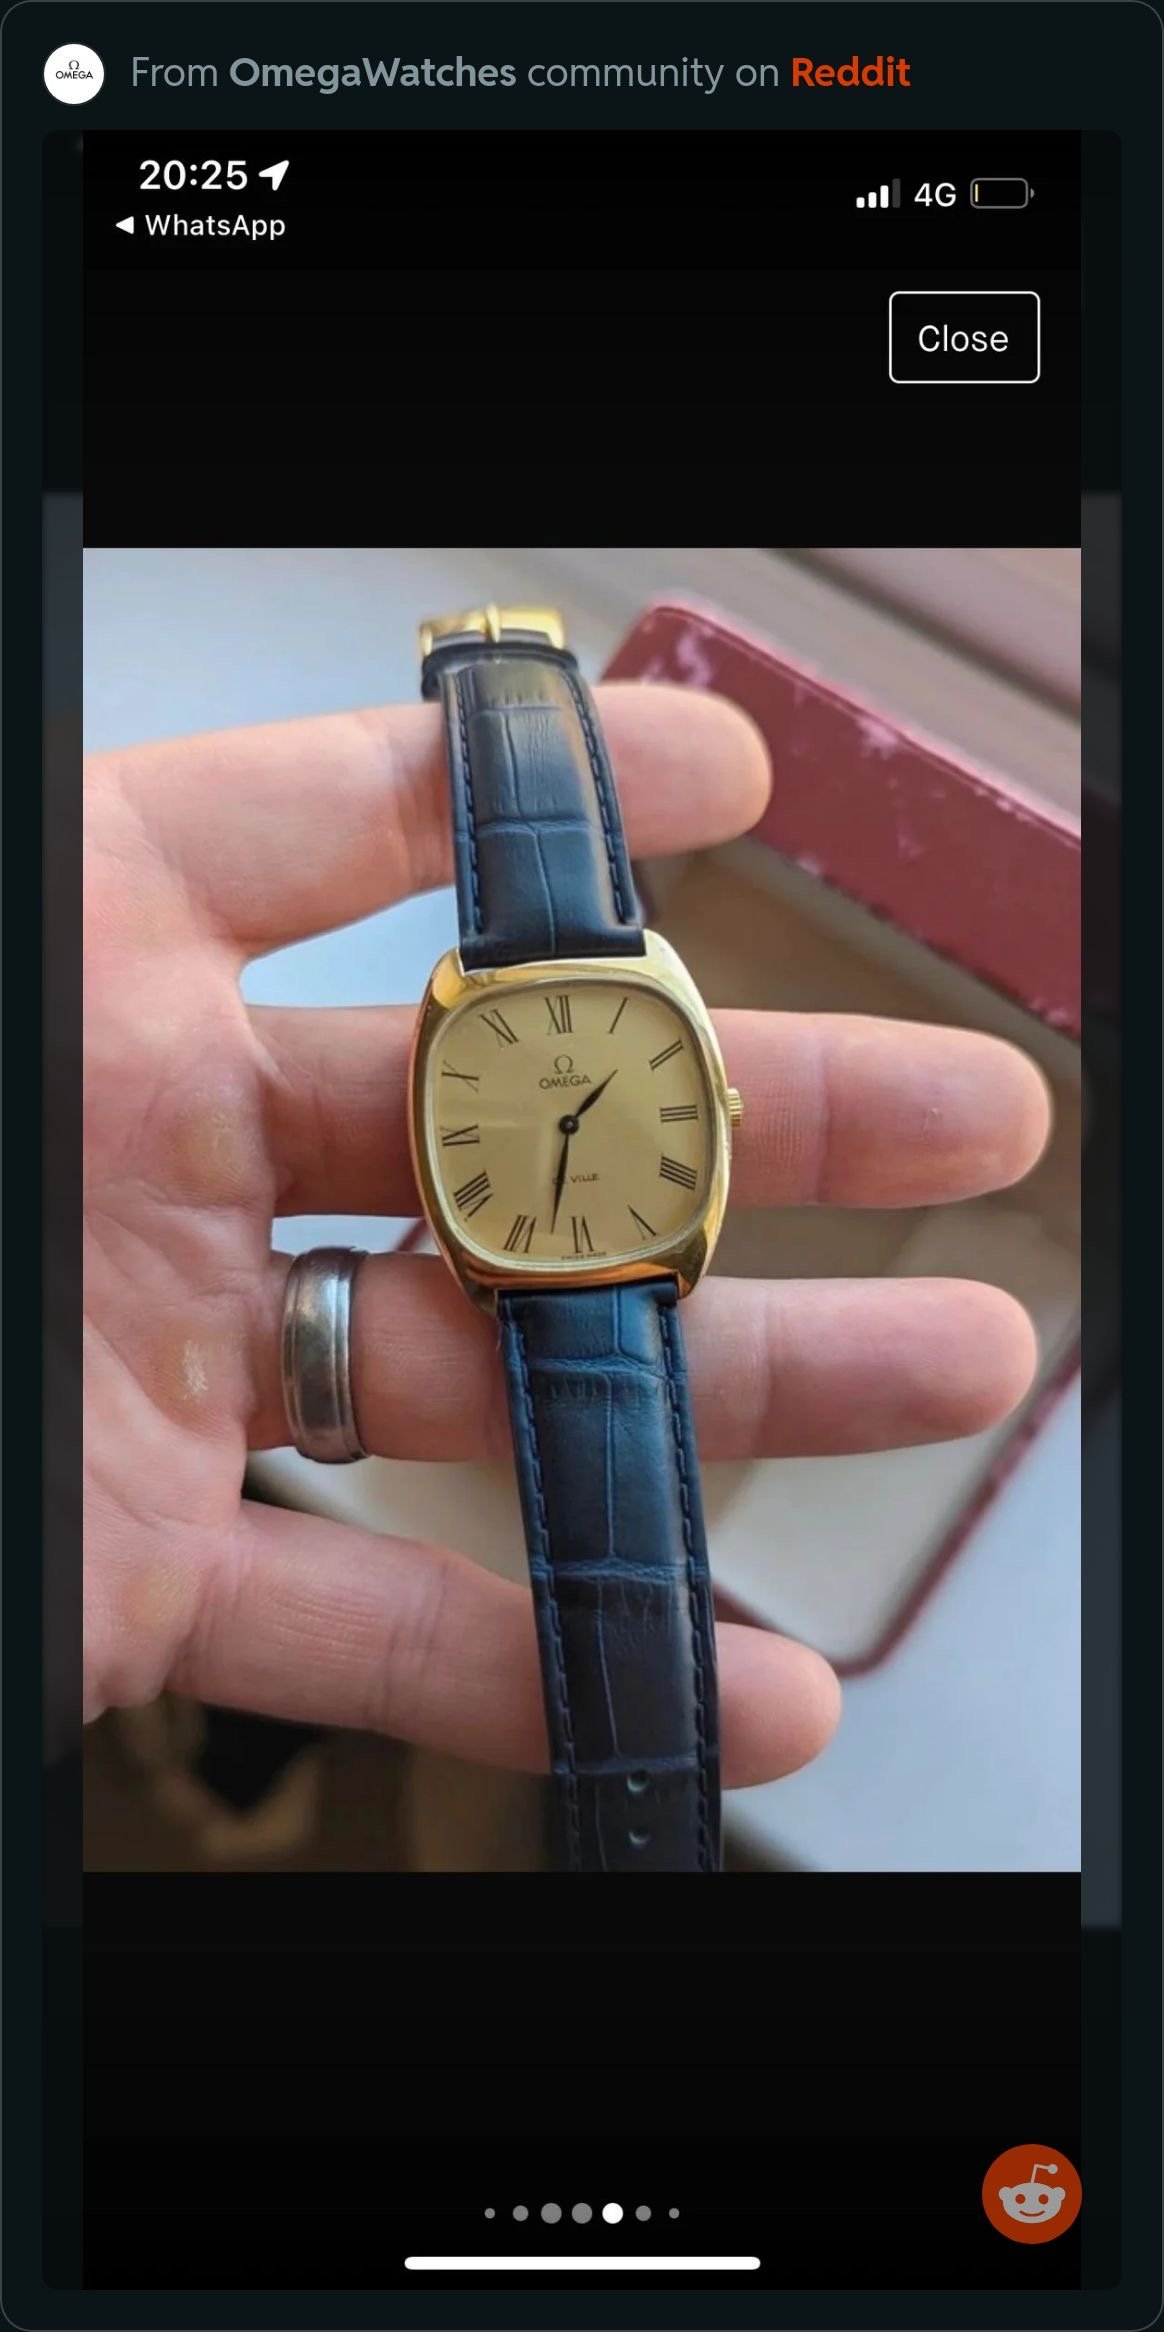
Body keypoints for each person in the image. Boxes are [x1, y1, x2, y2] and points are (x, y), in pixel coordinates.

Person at [84, 683, 1049, 1795]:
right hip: (538, 1256)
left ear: (720, 1104)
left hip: (599, 1252)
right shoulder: (541, 1027)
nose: (574, 1120)